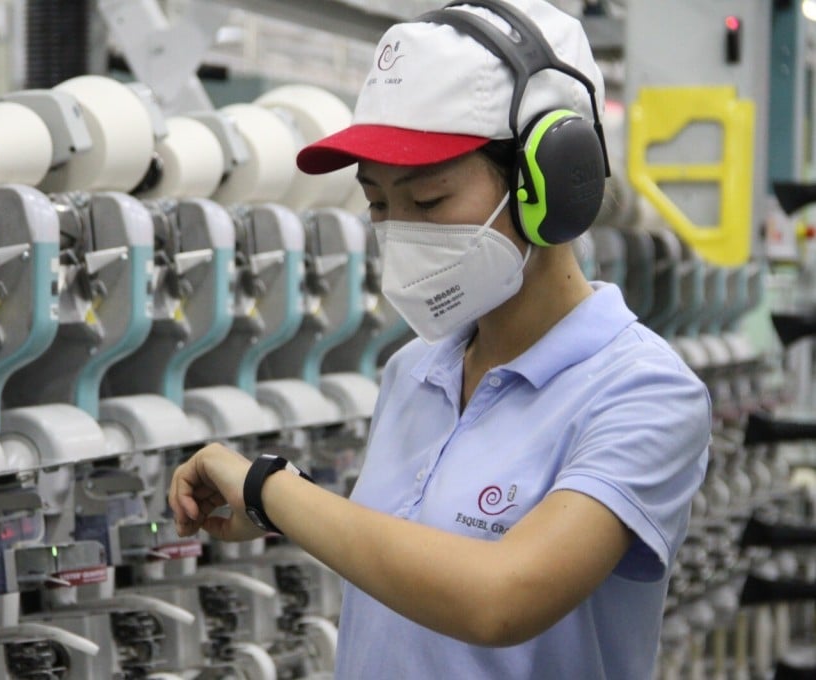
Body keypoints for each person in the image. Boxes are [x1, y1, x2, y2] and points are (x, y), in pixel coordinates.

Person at [169, 0, 711, 677]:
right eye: (377, 203)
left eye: (427, 201)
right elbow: (410, 553)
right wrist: (282, 511)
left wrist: (270, 490)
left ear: (550, 182)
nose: (397, 230)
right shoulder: (414, 370)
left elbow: (501, 599)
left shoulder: (643, 393)